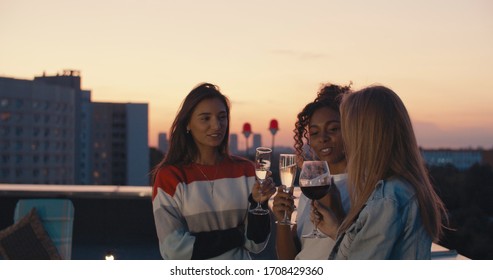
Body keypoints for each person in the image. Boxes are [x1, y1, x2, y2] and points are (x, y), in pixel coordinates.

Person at [314, 85, 448, 259]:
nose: (345, 142)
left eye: (346, 131)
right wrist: (336, 230)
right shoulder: (403, 188)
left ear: (363, 137)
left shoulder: (388, 198)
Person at [152, 83, 275, 260]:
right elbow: (175, 251)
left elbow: (256, 243)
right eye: (205, 118)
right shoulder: (170, 178)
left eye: (222, 117)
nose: (216, 125)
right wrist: (239, 235)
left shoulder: (246, 171)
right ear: (188, 123)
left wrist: (259, 203)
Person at [272, 83, 352, 259]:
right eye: (314, 133)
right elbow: (289, 259)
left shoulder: (367, 187)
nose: (323, 138)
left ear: (351, 129)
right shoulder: (312, 187)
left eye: (333, 129)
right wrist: (283, 221)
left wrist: (338, 215)